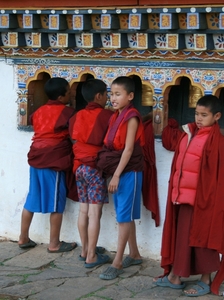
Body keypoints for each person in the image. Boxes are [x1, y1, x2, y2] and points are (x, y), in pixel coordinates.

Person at [154, 95, 224, 296]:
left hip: (204, 201)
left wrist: (211, 202)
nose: (199, 118)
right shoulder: (188, 134)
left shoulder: (218, 143)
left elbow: (223, 181)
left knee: (204, 241)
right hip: (182, 197)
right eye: (197, 113)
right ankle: (175, 276)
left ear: (217, 116)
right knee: (181, 238)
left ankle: (205, 279)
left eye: (204, 115)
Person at [18, 77, 77, 253]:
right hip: (54, 160)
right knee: (56, 203)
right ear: (61, 97)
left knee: (32, 198)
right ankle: (54, 244)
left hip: (36, 157)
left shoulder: (38, 111)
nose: (70, 95)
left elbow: (33, 122)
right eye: (68, 92)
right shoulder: (68, 112)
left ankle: (23, 237)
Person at [96, 76, 145, 280]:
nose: (113, 98)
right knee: (125, 216)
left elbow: (129, 149)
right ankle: (134, 254)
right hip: (121, 169)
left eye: (118, 94)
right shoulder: (117, 115)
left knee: (123, 217)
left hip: (129, 172)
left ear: (130, 96)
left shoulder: (131, 117)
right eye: (112, 93)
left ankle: (117, 262)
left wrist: (115, 175)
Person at [69, 79, 113, 268]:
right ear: (99, 96)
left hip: (79, 167)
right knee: (95, 214)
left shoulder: (77, 115)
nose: (107, 98)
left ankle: (85, 249)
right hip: (94, 168)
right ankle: (92, 256)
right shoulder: (106, 116)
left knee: (84, 210)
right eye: (106, 95)